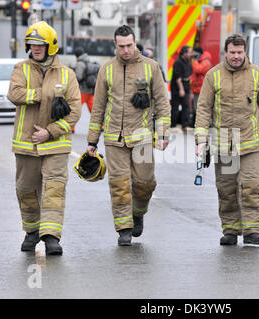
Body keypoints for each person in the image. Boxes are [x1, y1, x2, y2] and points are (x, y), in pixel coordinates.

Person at [85, 25, 171, 246]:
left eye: (129, 45)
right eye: (121, 46)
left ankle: (138, 213)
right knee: (119, 184)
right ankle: (124, 229)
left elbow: (162, 103)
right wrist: (92, 140)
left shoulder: (151, 68)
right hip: (115, 138)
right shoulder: (106, 69)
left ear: (135, 43)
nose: (125, 50)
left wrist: (162, 134)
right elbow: (98, 107)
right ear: (115, 45)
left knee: (144, 183)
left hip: (142, 138)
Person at [194, 34, 259, 246]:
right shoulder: (213, 76)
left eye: (240, 52)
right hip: (223, 143)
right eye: (232, 52)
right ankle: (230, 229)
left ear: (245, 52)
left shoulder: (257, 75)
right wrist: (201, 139)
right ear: (226, 52)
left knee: (251, 187)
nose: (236, 56)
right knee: (227, 189)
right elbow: (204, 108)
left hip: (250, 143)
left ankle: (252, 231)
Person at [7, 21, 82, 255]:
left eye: (41, 44)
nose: (36, 48)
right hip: (26, 145)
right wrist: (43, 94)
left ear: (51, 46)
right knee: (26, 189)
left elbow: (75, 111)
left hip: (56, 145)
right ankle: (31, 231)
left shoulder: (67, 75)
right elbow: (15, 93)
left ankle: (51, 237)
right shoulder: (21, 69)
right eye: (32, 44)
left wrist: (49, 132)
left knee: (54, 189)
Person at [170, 45, 193, 130]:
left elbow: (189, 76)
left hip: (186, 85)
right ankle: (173, 125)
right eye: (189, 52)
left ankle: (185, 125)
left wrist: (190, 91)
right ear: (184, 53)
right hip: (177, 88)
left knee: (186, 106)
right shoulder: (178, 62)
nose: (191, 54)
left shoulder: (188, 62)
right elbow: (178, 78)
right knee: (175, 107)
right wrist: (181, 89)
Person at [190, 46, 212, 127]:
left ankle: (205, 124)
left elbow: (198, 70)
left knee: (201, 108)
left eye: (194, 54)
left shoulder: (205, 62)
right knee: (197, 108)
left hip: (202, 89)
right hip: (197, 89)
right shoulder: (201, 61)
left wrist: (195, 61)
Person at [74, 46, 94, 114]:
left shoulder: (80, 63)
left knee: (75, 111)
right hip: (90, 90)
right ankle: (102, 125)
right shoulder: (88, 60)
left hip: (82, 91)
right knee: (94, 113)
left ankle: (71, 125)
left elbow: (78, 77)